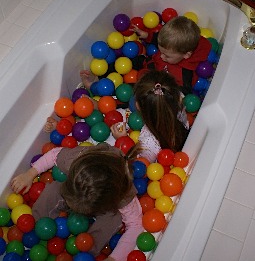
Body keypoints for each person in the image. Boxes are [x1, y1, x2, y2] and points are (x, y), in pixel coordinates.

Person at [11, 143, 144, 261]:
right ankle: (37, 225)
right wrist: (30, 174)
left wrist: (113, 258)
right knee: (54, 190)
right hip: (78, 188)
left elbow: (136, 225)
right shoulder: (76, 159)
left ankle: (88, 251)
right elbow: (54, 155)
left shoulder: (122, 195)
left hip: (107, 208)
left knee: (114, 218)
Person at [111, 70, 189, 162]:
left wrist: (123, 140)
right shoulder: (178, 98)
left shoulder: (148, 143)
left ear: (138, 106)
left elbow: (140, 164)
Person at [132, 16, 212, 95]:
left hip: (158, 77)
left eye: (166, 55)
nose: (161, 56)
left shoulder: (185, 73)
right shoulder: (171, 46)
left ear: (186, 55)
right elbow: (158, 39)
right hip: (150, 63)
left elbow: (184, 91)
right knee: (134, 61)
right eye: (161, 51)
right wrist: (147, 35)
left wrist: (164, 91)